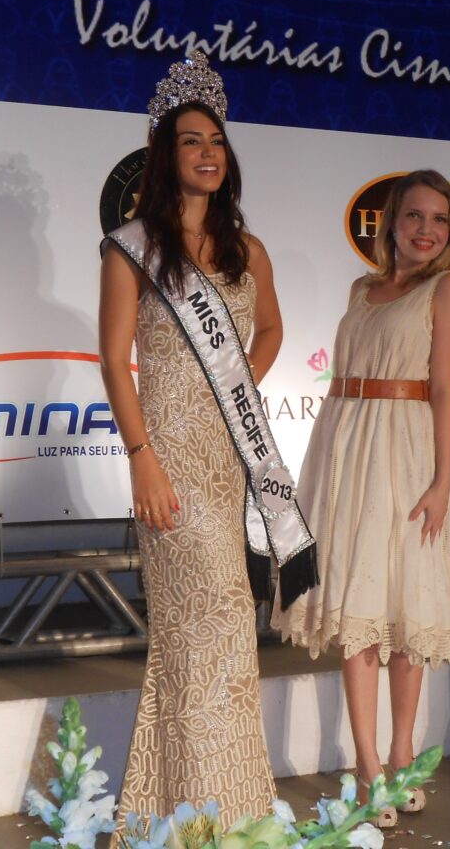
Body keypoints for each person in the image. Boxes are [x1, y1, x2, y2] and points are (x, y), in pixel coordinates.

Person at [98, 52, 315, 830]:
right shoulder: (133, 247)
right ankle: (212, 815)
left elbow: (276, 325)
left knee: (218, 633)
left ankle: (185, 810)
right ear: (166, 156)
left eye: (217, 141)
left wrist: (243, 380)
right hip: (170, 465)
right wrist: (141, 458)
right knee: (206, 624)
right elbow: (114, 361)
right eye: (192, 141)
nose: (208, 153)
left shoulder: (245, 249)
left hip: (230, 461)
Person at [273, 170, 450, 826]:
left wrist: (445, 480)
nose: (427, 230)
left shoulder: (448, 290)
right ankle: (365, 770)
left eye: (439, 220)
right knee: (358, 611)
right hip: (347, 451)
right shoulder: (362, 290)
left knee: (407, 616)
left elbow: (443, 390)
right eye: (415, 216)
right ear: (390, 223)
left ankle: (401, 759)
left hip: (410, 453)